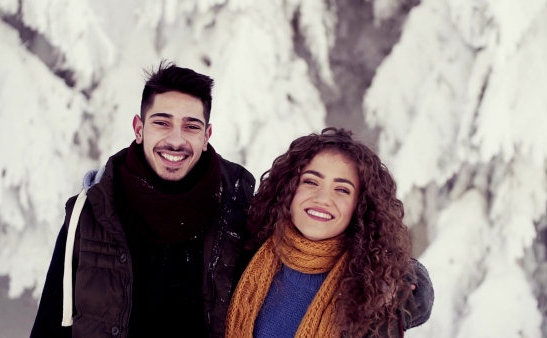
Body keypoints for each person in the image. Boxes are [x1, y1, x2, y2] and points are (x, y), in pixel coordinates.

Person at [30, 62, 256, 337]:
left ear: (206, 136)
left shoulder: (238, 212)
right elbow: (50, 322)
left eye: (191, 126)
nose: (176, 140)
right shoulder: (92, 212)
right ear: (139, 128)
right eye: (162, 123)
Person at [225, 128, 434, 338]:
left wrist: (402, 280)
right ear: (288, 189)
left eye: (342, 189)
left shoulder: (373, 292)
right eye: (311, 182)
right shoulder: (240, 255)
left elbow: (411, 283)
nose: (323, 198)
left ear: (360, 205)